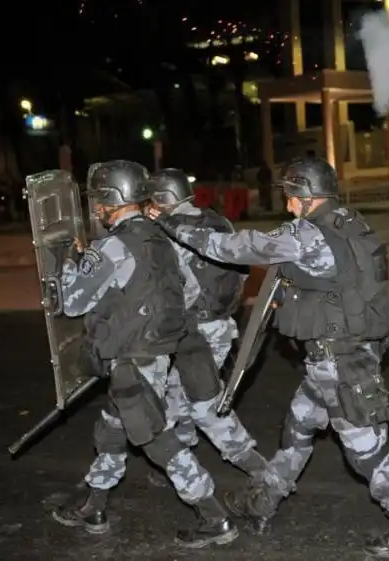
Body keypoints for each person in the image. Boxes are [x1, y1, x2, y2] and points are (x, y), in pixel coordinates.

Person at [149, 156, 389, 558]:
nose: (286, 204)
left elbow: (234, 247)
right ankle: (263, 502)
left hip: (342, 364)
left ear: (305, 196)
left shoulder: (308, 235)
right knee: (297, 429)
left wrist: (173, 224)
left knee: (366, 452)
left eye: (290, 196)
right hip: (331, 361)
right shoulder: (348, 221)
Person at [51, 160, 238, 549]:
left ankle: (214, 517)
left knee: (154, 438)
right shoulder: (160, 234)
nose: (97, 210)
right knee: (112, 429)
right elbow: (186, 292)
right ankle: (94, 504)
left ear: (110, 199)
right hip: (155, 351)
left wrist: (68, 260)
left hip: (132, 358)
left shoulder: (114, 245)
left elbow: (70, 302)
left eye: (99, 202)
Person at [143, 168, 273, 485]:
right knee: (177, 389)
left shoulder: (169, 233)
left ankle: (257, 467)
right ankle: (178, 457)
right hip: (221, 324)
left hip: (196, 333)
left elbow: (174, 289)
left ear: (161, 200)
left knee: (204, 406)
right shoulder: (215, 220)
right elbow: (241, 270)